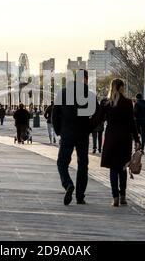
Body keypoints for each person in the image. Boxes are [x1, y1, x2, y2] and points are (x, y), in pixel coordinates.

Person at [52, 69, 98, 206]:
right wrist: (89, 128)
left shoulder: (63, 93)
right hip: (83, 134)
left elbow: (55, 114)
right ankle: (80, 196)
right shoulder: (90, 95)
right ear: (85, 79)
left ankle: (68, 184)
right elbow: (97, 114)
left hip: (67, 133)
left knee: (62, 162)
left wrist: (59, 131)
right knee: (83, 165)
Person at [95, 79, 141, 207]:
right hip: (124, 139)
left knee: (113, 169)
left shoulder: (106, 103)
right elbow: (132, 123)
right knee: (123, 168)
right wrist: (137, 140)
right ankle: (123, 196)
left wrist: (84, 127)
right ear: (121, 88)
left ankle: (115, 197)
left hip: (111, 139)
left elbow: (98, 119)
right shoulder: (127, 103)